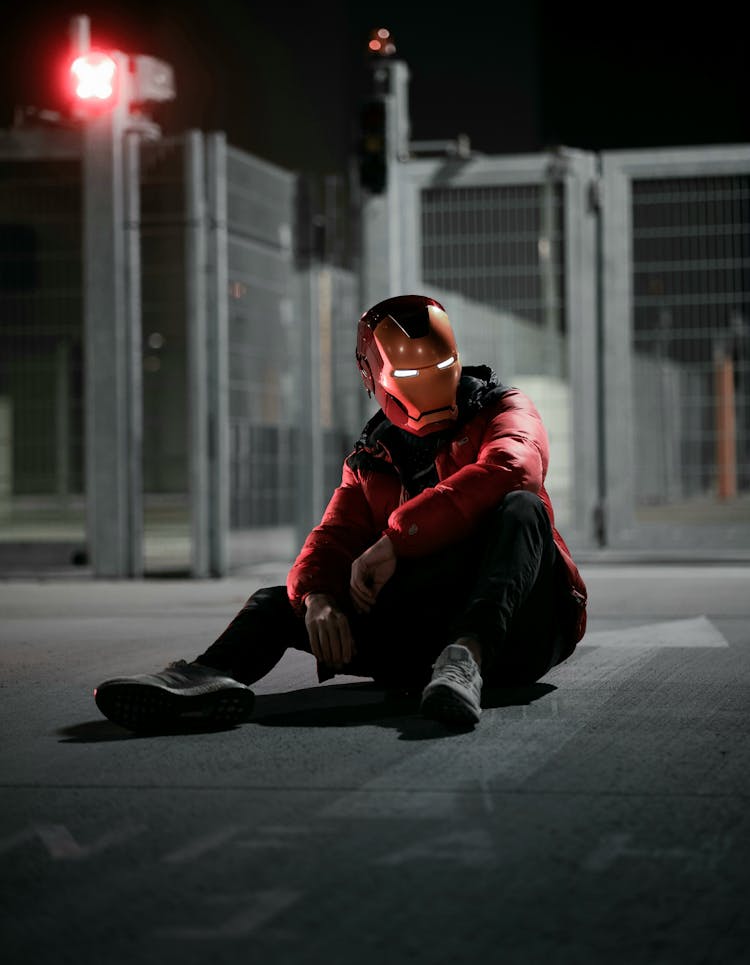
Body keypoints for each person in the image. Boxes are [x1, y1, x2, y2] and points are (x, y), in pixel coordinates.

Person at [94, 293, 587, 733]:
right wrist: (317, 599)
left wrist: (397, 539)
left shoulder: (503, 407)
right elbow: (332, 536)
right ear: (371, 376)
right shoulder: (372, 456)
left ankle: (467, 658)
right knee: (277, 601)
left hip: (522, 629)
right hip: (424, 638)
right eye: (411, 373)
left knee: (522, 510)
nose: (427, 385)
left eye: (438, 367)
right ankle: (204, 678)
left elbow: (514, 467)